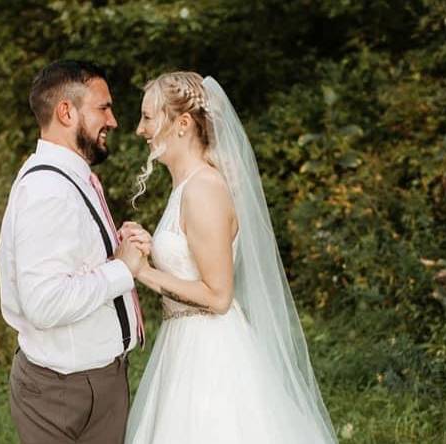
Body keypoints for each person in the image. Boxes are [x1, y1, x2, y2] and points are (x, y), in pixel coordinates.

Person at [124, 72, 339, 443]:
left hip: (209, 356)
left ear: (183, 124)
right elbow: (190, 266)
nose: (140, 129)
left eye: (147, 116)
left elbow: (218, 296)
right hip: (183, 345)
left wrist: (143, 271)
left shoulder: (203, 190)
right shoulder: (186, 188)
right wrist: (149, 248)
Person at [0, 60, 150, 444]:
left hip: (95, 382)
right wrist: (122, 270)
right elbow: (45, 304)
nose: (113, 120)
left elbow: (73, 262)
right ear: (66, 111)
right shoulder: (50, 192)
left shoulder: (68, 177)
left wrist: (116, 248)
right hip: (66, 392)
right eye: (103, 108)